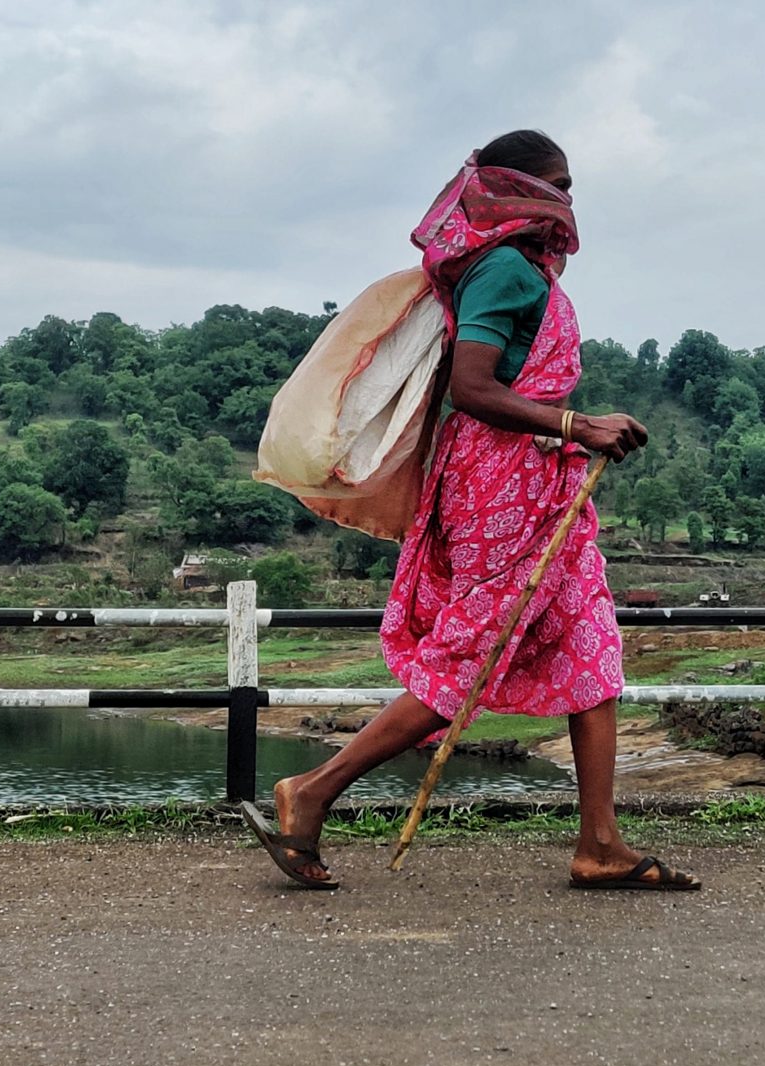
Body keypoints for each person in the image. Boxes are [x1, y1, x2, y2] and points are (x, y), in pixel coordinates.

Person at [241, 130, 701, 892]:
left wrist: (575, 430)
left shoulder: (526, 271)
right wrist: (579, 426)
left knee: (592, 651)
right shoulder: (502, 271)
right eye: (559, 183)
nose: (568, 200)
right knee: (467, 656)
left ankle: (600, 842)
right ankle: (312, 789)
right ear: (520, 188)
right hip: (500, 490)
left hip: (543, 485)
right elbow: (474, 388)